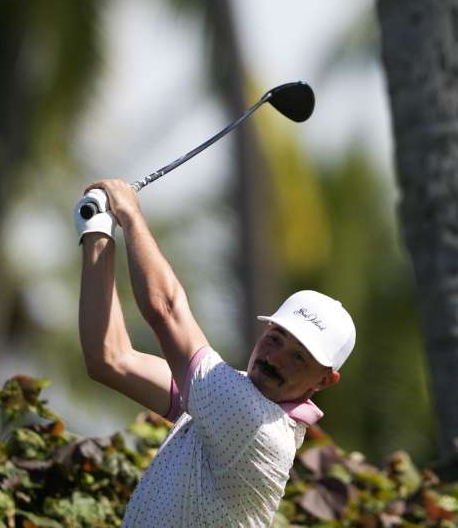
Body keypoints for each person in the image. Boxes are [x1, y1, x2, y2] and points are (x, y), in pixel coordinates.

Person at [74, 179, 356, 528]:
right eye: (277, 337)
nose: (276, 358)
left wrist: (130, 212)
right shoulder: (227, 398)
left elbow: (166, 311)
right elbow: (110, 359)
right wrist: (96, 231)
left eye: (300, 357)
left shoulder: (254, 423)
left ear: (325, 380)